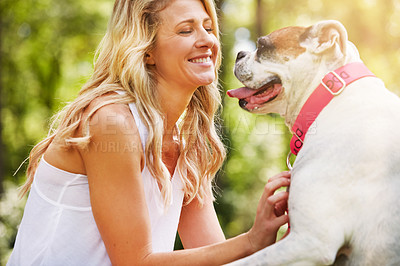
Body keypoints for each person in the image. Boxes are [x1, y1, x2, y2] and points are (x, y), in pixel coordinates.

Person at [8, 0, 290, 265]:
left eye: (207, 26)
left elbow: (218, 256)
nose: (207, 39)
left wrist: (285, 242)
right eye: (186, 30)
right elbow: (134, 262)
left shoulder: (188, 144)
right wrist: (252, 240)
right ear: (147, 50)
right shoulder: (112, 123)